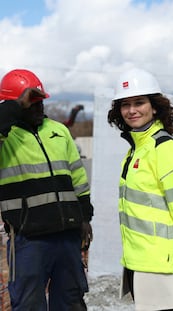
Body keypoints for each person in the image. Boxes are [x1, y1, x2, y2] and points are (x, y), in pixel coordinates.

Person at [107, 68, 173, 311]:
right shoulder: (138, 148)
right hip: (140, 259)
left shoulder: (164, 149)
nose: (132, 110)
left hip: (159, 262)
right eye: (125, 104)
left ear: (155, 107)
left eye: (139, 102)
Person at [0, 69, 94, 310]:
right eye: (31, 103)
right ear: (14, 105)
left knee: (71, 301)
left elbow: (78, 177)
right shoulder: (6, 139)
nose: (38, 107)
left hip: (67, 237)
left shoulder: (59, 131)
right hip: (27, 240)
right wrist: (13, 107)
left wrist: (84, 217)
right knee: (29, 304)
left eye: (40, 101)